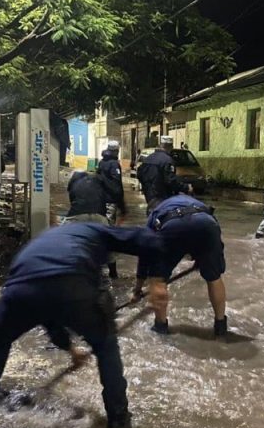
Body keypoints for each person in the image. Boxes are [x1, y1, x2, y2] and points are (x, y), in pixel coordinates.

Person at [0, 222, 164, 428]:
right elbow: (151, 240)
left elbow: (46, 310)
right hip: (75, 284)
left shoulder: (40, 242)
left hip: (20, 291)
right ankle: (119, 419)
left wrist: (70, 349)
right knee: (105, 347)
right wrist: (158, 283)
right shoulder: (94, 230)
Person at [132, 195, 227, 337]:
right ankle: (221, 326)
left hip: (173, 225)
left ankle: (160, 327)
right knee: (214, 278)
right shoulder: (186, 200)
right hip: (208, 223)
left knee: (158, 279)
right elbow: (213, 239)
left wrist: (137, 289)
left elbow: (145, 256)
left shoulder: (154, 215)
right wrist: (203, 260)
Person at [64, 171, 119, 279]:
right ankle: (113, 273)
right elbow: (113, 193)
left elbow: (73, 201)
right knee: (109, 244)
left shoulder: (73, 185)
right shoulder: (98, 181)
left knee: (64, 242)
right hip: (99, 216)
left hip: (77, 216)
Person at [137, 136, 192, 212]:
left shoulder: (148, 158)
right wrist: (186, 188)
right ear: (170, 146)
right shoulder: (167, 160)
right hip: (162, 199)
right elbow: (171, 180)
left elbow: (139, 174)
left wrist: (147, 188)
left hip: (150, 199)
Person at [96, 140, 127, 226]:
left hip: (101, 199)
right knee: (108, 225)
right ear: (116, 151)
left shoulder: (101, 162)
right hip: (111, 200)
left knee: (101, 223)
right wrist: (121, 204)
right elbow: (117, 185)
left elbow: (97, 179)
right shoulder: (114, 164)